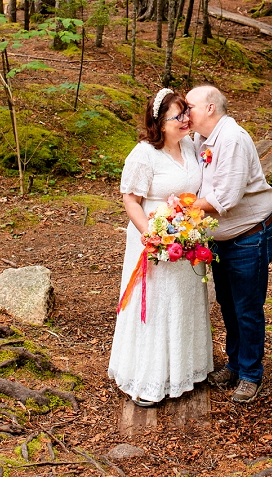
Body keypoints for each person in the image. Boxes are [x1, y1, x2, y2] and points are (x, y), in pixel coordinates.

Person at [108, 88, 213, 407]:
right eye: (178, 116)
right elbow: (130, 199)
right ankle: (150, 378)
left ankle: (186, 369)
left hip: (187, 239)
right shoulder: (143, 154)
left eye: (186, 113)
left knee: (183, 301)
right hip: (153, 241)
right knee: (156, 305)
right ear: (159, 123)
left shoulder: (192, 146)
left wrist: (188, 227)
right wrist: (151, 234)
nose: (186, 120)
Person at [186, 84, 272, 404]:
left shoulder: (233, 139)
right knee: (227, 304)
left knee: (247, 308)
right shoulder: (200, 138)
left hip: (248, 236)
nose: (185, 113)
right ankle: (235, 364)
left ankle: (251, 374)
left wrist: (180, 207)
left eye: (190, 107)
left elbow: (226, 197)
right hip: (220, 239)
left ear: (210, 108)